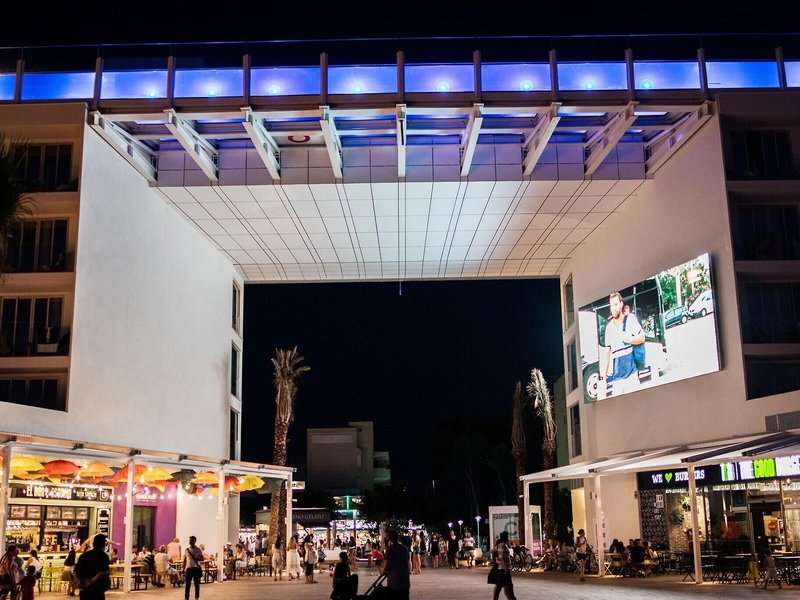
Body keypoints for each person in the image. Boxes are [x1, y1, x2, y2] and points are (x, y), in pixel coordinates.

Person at [602, 292, 646, 397]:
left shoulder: (630, 319)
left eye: (616, 304)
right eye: (611, 305)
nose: (614, 308)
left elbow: (642, 338)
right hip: (617, 379)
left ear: (621, 304)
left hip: (632, 375)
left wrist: (629, 339)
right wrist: (603, 379)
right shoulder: (609, 328)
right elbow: (606, 354)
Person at [74, 534, 110, 600]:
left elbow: (76, 571)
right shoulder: (104, 556)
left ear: (93, 544)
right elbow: (103, 572)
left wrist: (78, 581)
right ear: (103, 545)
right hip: (98, 590)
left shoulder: (83, 556)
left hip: (84, 590)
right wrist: (91, 581)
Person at [381, 530, 410, 600]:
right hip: (404, 579)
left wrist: (383, 570)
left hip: (394, 579)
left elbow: (387, 562)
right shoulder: (404, 548)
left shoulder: (390, 549)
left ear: (389, 538)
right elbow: (408, 561)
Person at [491, 531, 516, 600]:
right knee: (504, 587)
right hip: (503, 570)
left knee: (504, 587)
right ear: (505, 537)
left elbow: (493, 551)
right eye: (507, 536)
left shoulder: (504, 545)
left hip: (504, 569)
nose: (508, 538)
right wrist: (505, 567)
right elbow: (501, 557)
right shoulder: (502, 545)